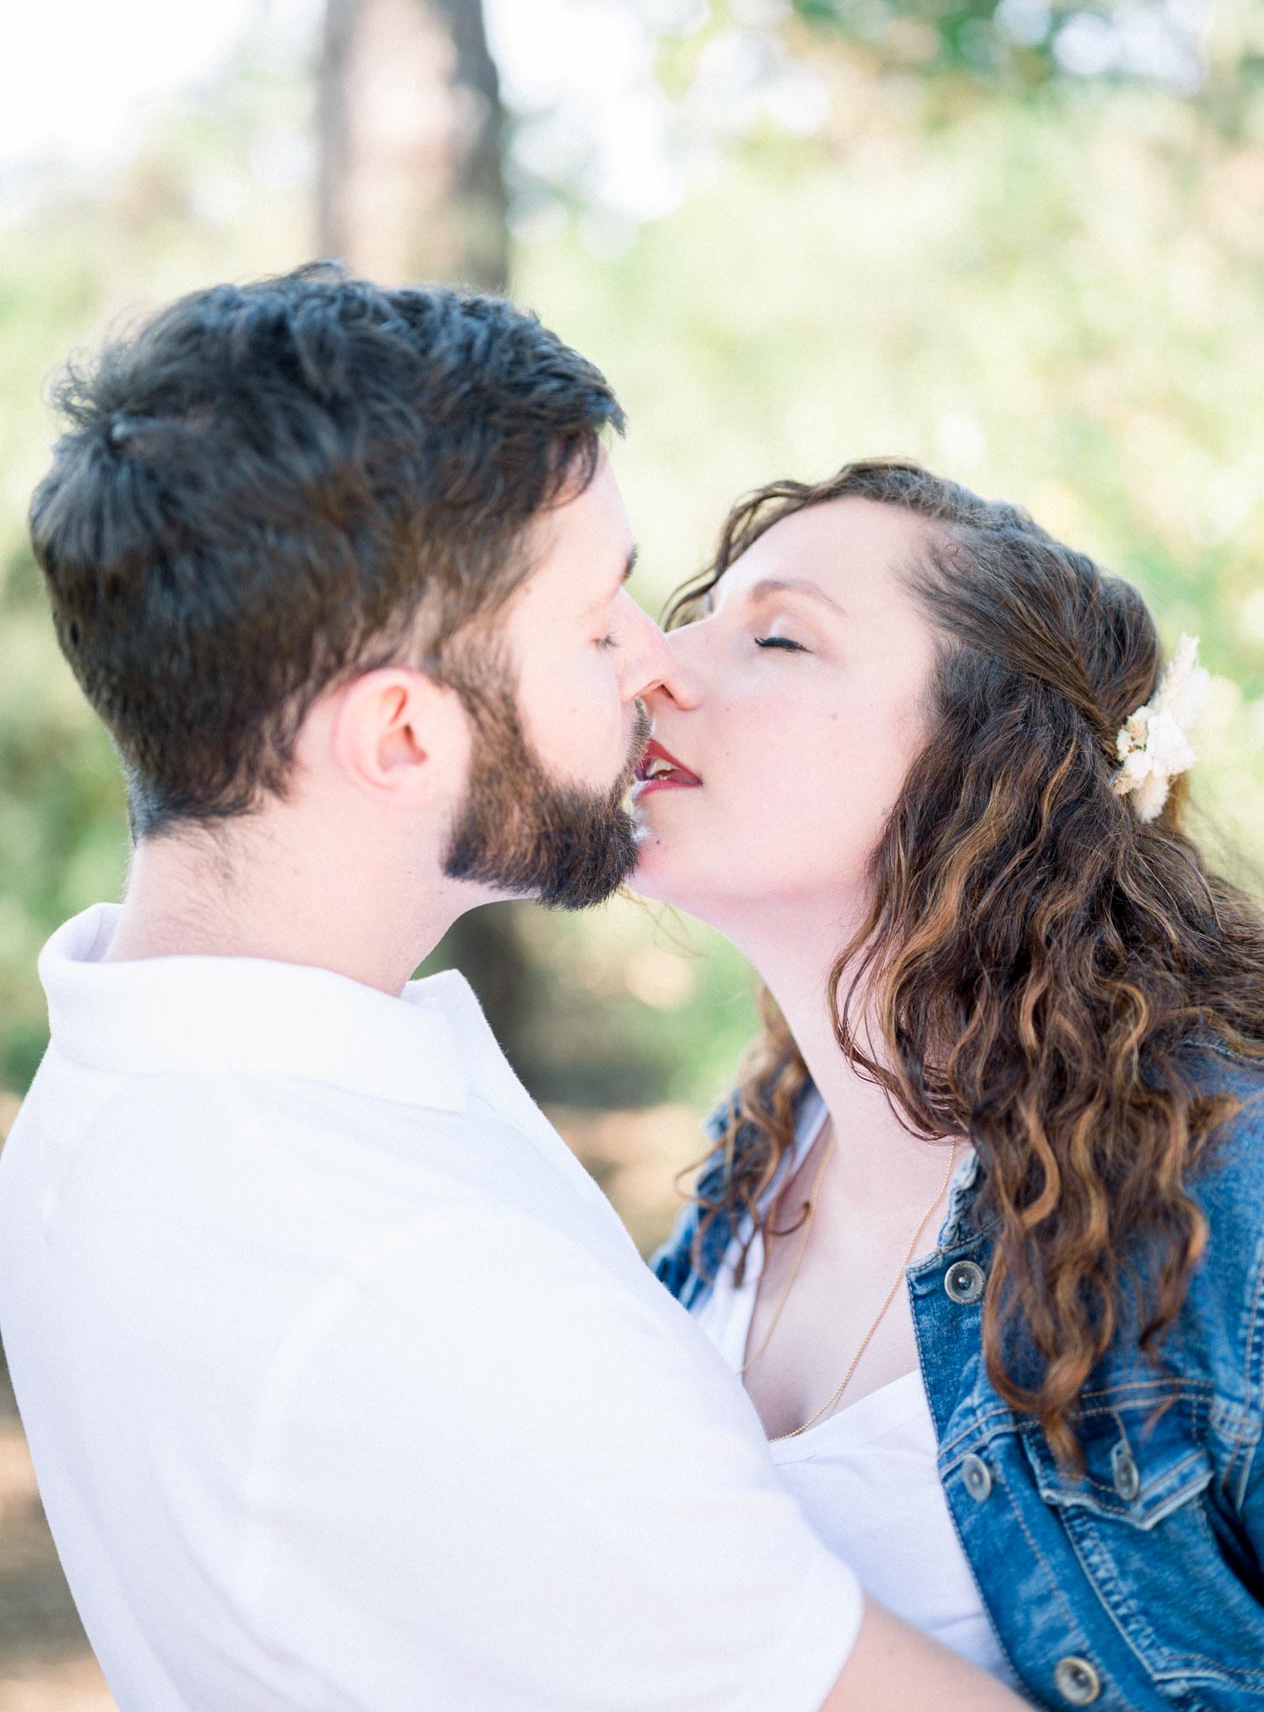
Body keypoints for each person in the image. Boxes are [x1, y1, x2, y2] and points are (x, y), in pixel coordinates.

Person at [0, 274, 1024, 1712]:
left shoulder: (119, 1081)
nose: (656, 664)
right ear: (403, 733)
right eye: (598, 622)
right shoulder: (414, 1292)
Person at [641, 459, 1264, 1712]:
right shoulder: (756, 1156)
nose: (655, 666)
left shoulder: (1222, 1194)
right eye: (689, 615)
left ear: (988, 760)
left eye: (775, 634)